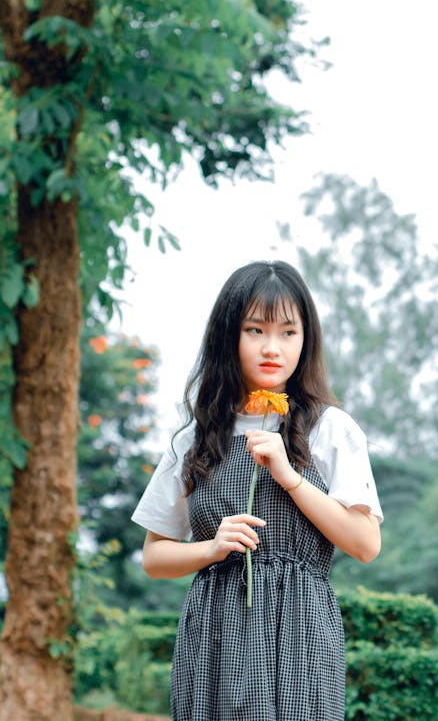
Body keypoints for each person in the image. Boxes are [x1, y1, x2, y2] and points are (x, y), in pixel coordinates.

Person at [131, 260, 383, 720]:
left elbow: (366, 543)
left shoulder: (331, 428)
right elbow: (154, 556)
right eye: (255, 330)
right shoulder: (195, 436)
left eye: (289, 332)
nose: (273, 348)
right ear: (230, 336)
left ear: (306, 340)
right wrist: (212, 547)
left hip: (299, 633)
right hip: (215, 634)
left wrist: (290, 477)